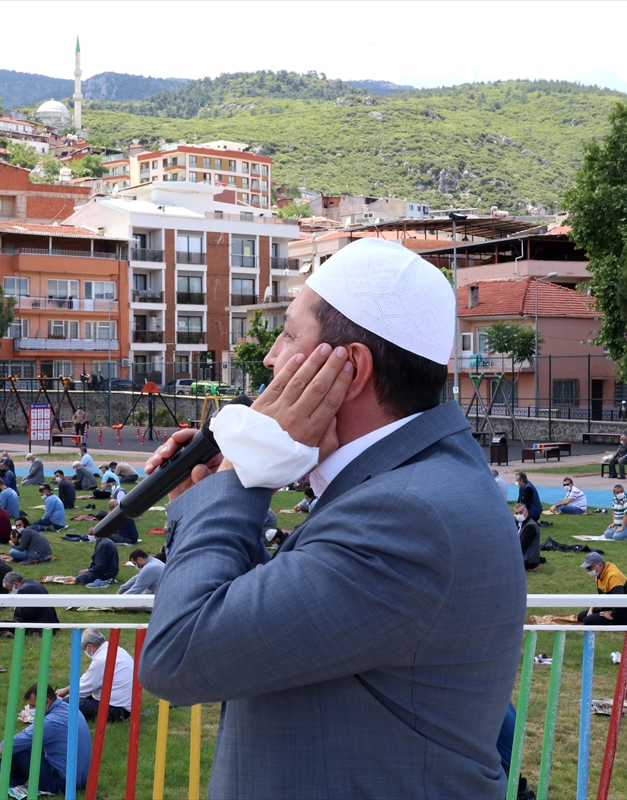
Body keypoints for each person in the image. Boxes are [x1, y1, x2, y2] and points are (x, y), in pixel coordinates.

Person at [137, 239, 524, 798]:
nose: (269, 356)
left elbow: (180, 654)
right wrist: (225, 491)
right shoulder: (416, 485)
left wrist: (243, 480)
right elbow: (257, 635)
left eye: (289, 334)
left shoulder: (405, 514)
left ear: (350, 367)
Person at [0, 684, 90, 794]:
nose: (30, 709)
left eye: (33, 706)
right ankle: (1, 772)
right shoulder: (70, 709)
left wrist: (1, 747)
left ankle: (7, 780)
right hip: (77, 778)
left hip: (62, 783)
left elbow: (17, 742)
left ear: (47, 702)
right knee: (30, 745)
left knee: (19, 749)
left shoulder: (51, 722)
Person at [58, 628, 134, 722]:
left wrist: (63, 697)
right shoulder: (116, 649)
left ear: (90, 646)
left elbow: (85, 688)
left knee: (66, 703)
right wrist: (66, 690)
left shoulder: (101, 660)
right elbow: (87, 680)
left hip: (117, 710)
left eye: (84, 649)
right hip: (128, 705)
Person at [577, 553, 627, 625]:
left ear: (600, 565)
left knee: (587, 621)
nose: (588, 571)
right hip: (609, 608)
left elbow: (620, 599)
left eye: (589, 568)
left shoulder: (613, 576)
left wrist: (612, 615)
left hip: (622, 614)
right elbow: (601, 596)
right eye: (586, 568)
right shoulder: (599, 575)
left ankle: (612, 622)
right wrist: (592, 608)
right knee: (580, 617)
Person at [514, 504, 540, 571]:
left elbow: (521, 546)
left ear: (527, 512)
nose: (519, 515)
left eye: (521, 512)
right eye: (517, 513)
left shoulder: (530, 527)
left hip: (528, 560)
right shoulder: (521, 524)